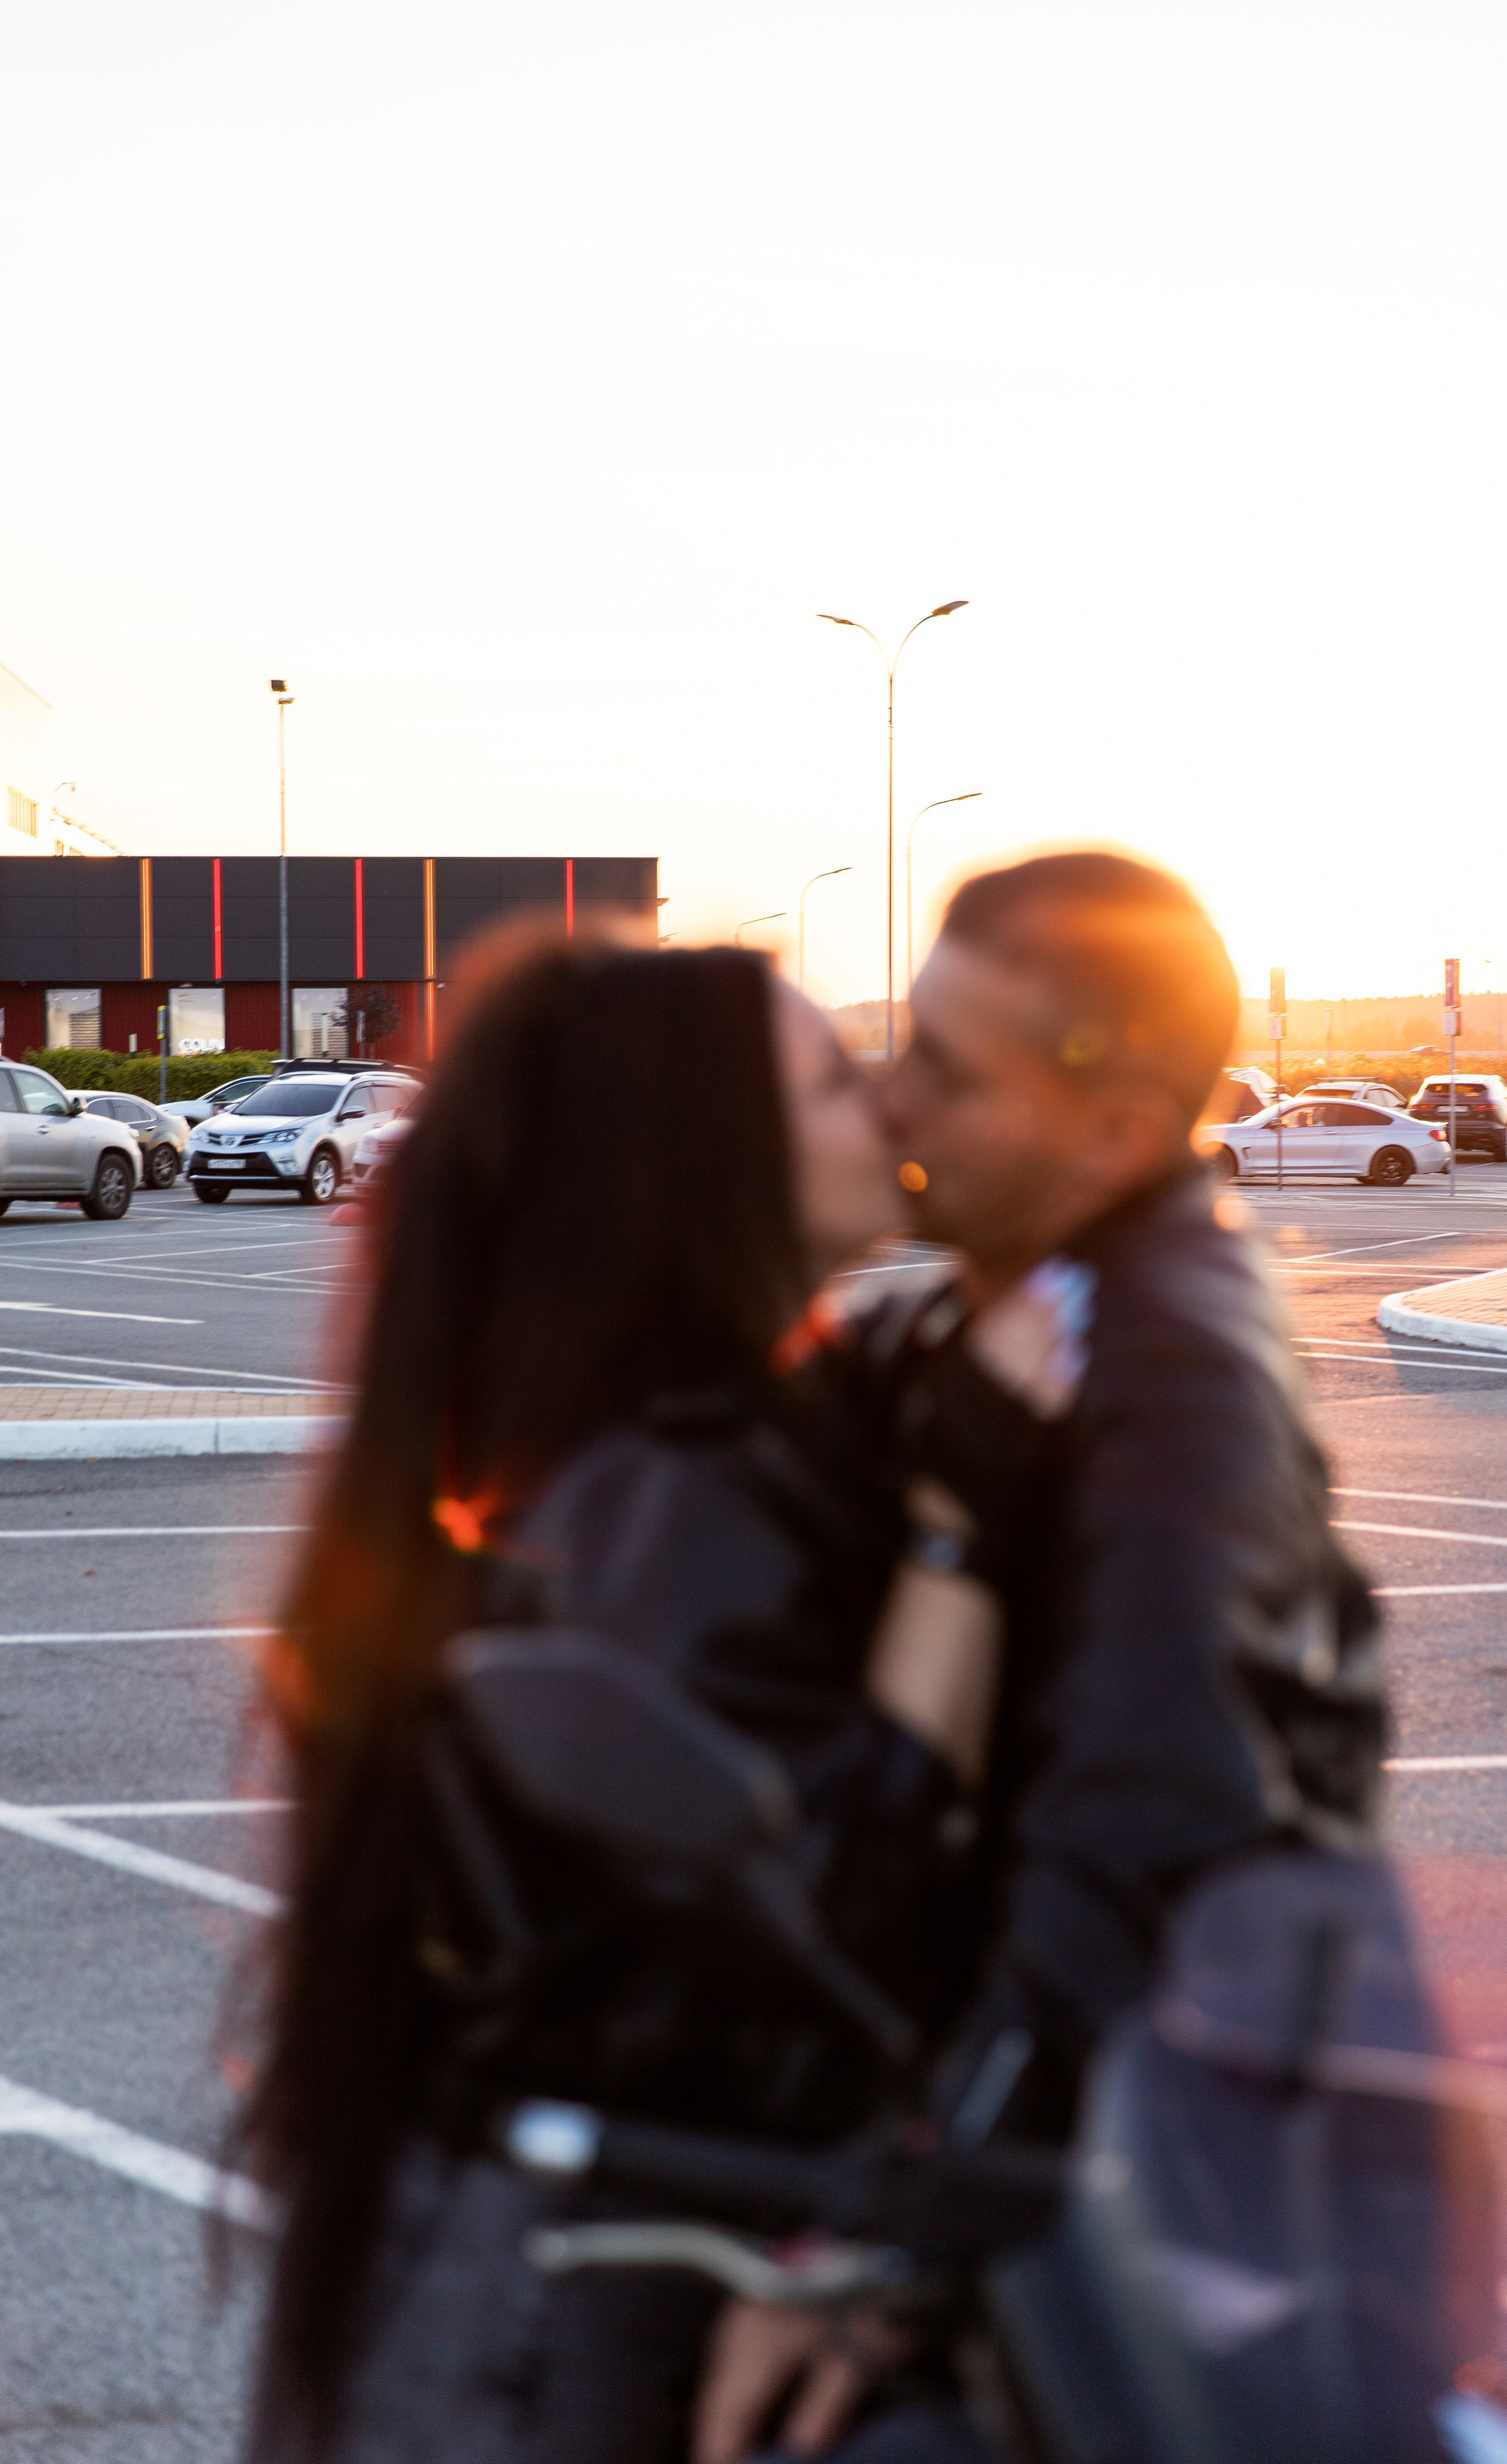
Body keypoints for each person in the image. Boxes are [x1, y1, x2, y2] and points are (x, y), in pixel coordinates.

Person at [239, 928, 1006, 2464]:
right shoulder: (672, 1490)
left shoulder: (712, 1434)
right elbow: (836, 1894)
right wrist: (956, 1537)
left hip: (589, 2276)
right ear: (704, 1157)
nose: (891, 1112)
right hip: (574, 2335)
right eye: (836, 1084)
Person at [692, 850, 1388, 2463]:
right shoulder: (1002, 1305)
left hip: (1145, 2213)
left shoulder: (1170, 1388)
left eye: (944, 1068)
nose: (893, 1093)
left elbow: (1147, 1822)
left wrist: (898, 2236)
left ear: (1113, 1134)